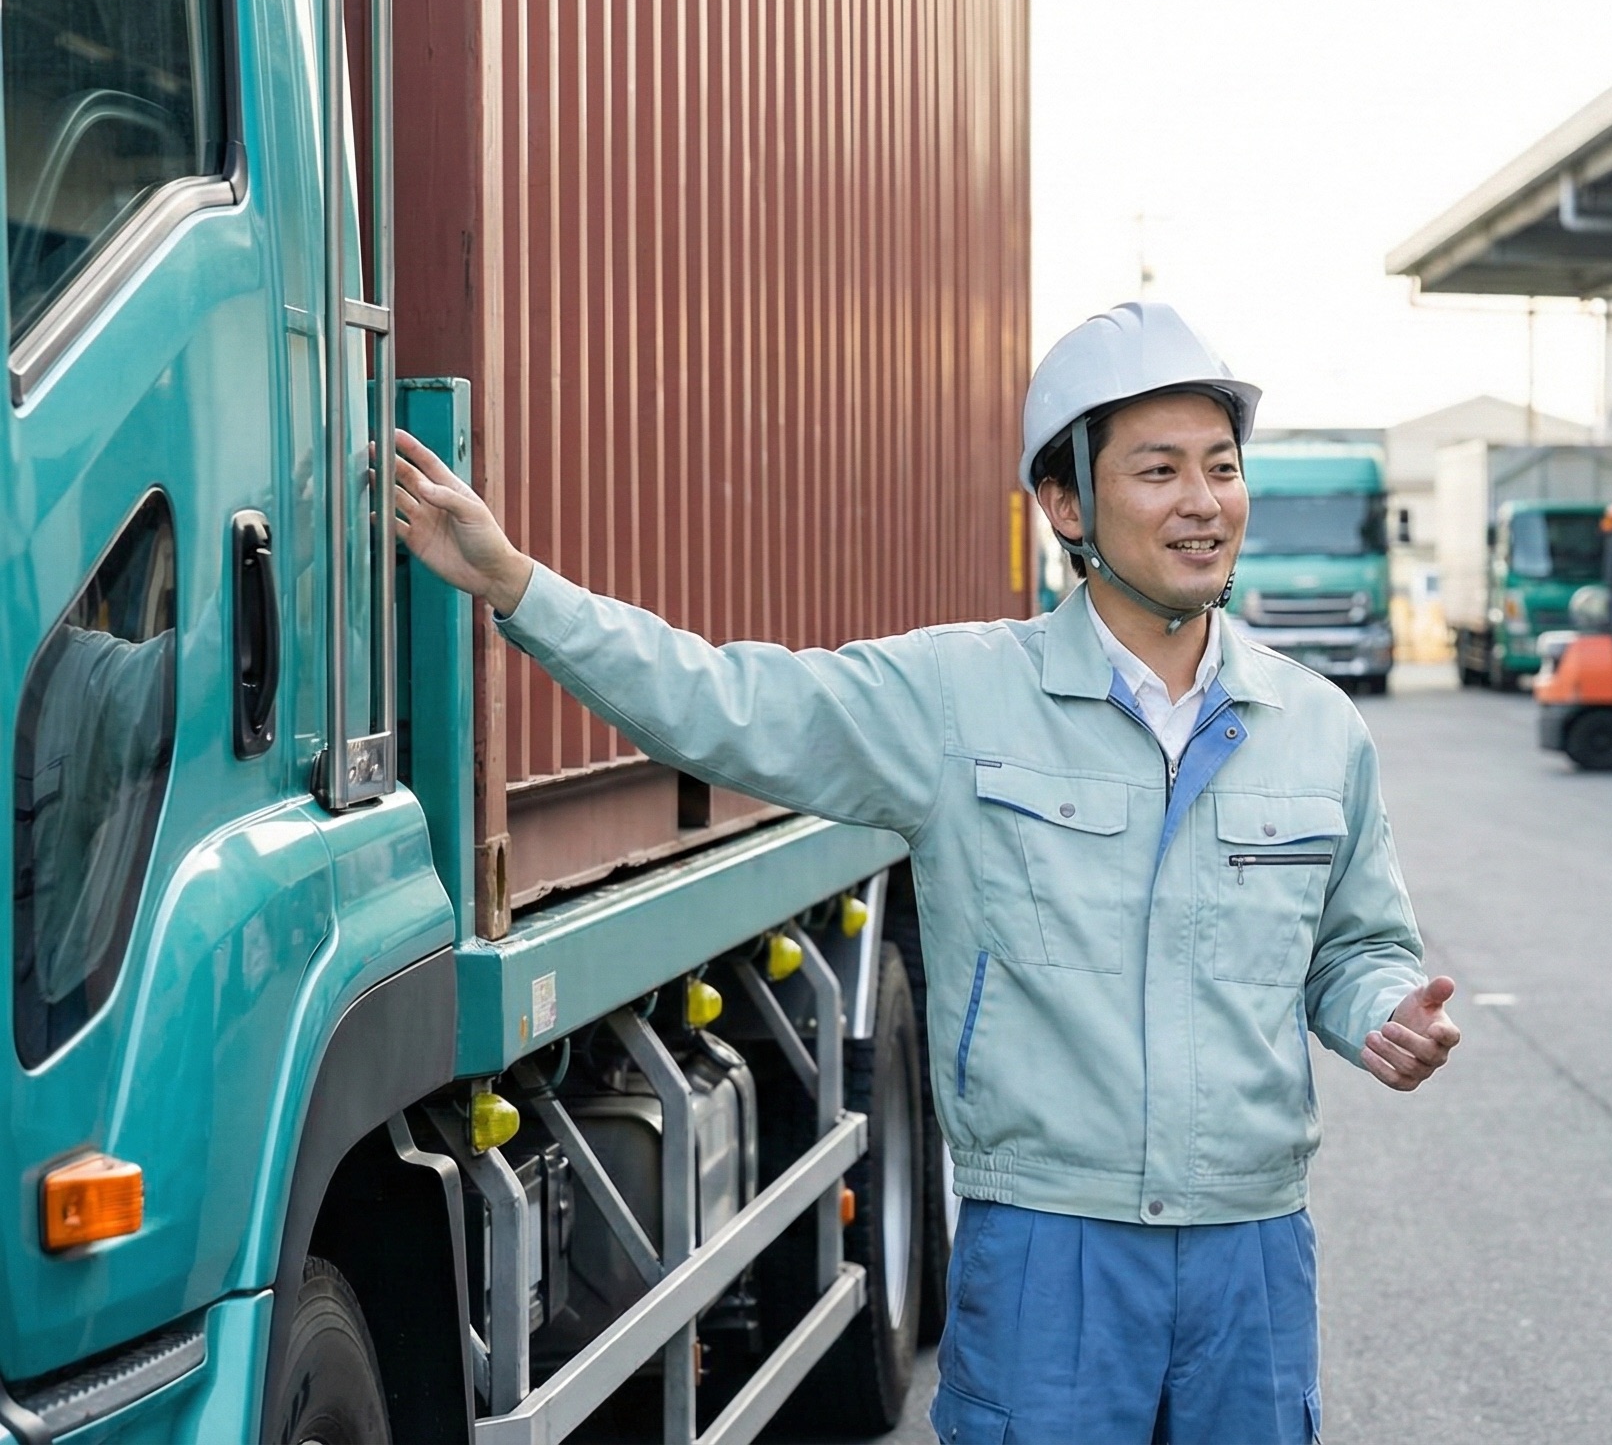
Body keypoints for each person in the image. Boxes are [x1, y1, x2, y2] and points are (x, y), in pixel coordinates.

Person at [390, 301, 1461, 1445]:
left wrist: (1380, 1013)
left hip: (1251, 1259)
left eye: (1221, 468)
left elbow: (1356, 948)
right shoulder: (959, 703)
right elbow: (723, 703)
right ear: (1069, 505)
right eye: (1158, 470)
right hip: (1052, 1248)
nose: (1203, 503)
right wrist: (519, 590)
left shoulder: (1315, 726)